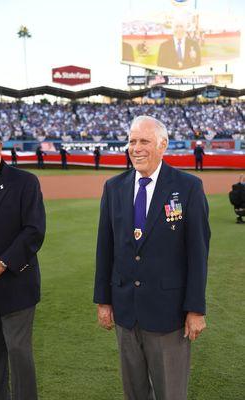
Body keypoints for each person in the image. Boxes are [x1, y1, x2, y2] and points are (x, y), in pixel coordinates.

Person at [94, 116, 210, 400]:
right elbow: (104, 248)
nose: (136, 148)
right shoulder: (114, 187)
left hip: (168, 313)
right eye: (132, 141)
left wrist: (195, 309)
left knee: (170, 392)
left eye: (144, 141)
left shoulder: (188, 187)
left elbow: (198, 253)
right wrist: (104, 301)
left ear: (163, 145)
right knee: (134, 393)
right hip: (126, 311)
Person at [0, 125, 46, 400]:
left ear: (0, 147)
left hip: (16, 285)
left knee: (19, 355)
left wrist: (1, 264)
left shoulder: (25, 182)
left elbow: (34, 231)